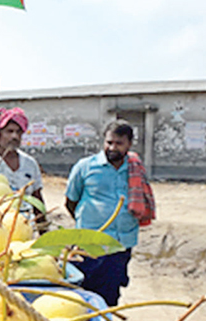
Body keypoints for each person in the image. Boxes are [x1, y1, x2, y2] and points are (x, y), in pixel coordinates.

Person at [64, 120, 155, 306]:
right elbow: (71, 201)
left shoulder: (135, 168)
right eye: (109, 142)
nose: (112, 147)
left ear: (129, 144)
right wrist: (89, 224)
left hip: (120, 245)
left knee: (110, 294)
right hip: (89, 244)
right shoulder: (85, 167)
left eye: (118, 143)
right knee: (82, 293)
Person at [0, 106, 45, 202]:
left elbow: (37, 199)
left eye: (18, 132)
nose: (15, 136)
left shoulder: (30, 163)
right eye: (9, 131)